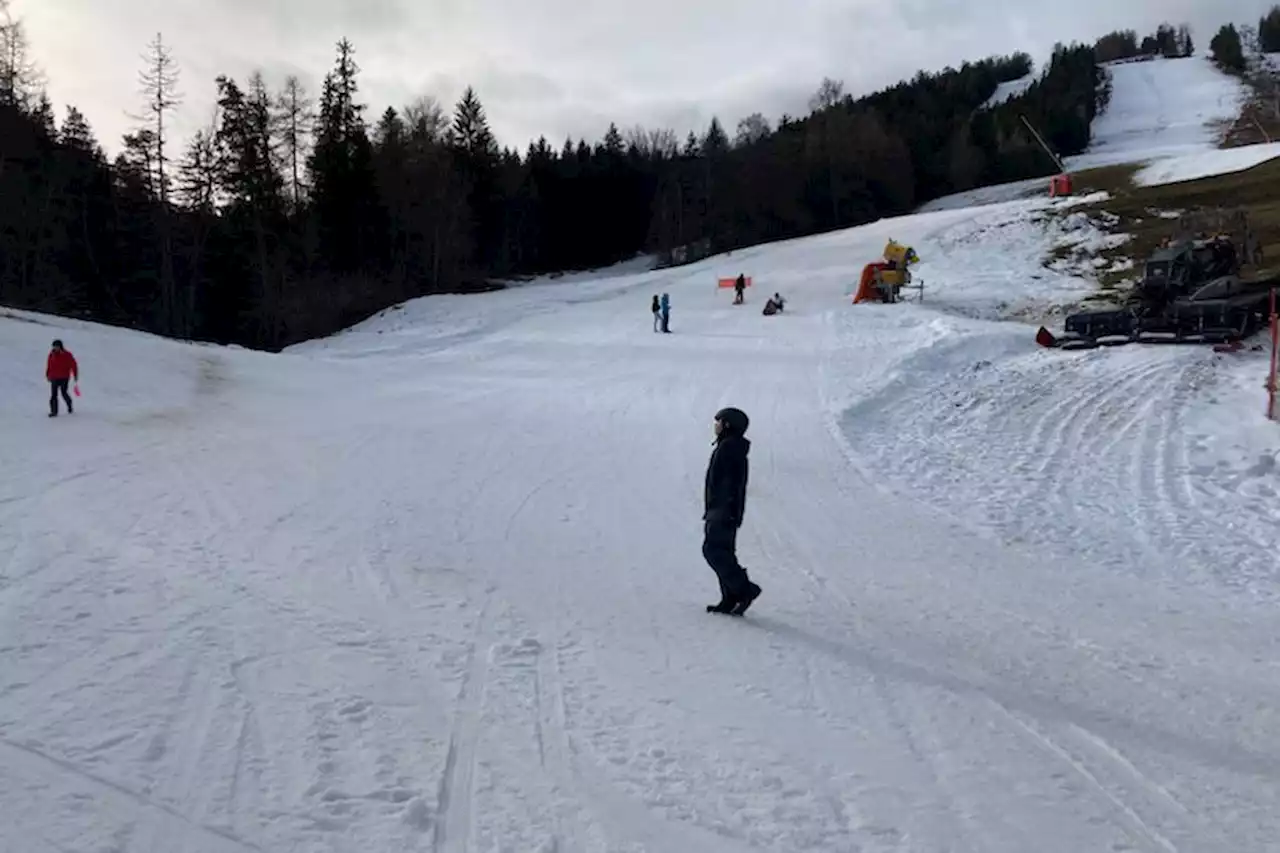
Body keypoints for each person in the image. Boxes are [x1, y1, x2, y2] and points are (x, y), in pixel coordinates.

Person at [702, 407, 762, 615]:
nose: (715, 425)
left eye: (719, 421)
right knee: (722, 552)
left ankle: (745, 590)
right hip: (722, 509)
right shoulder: (729, 446)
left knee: (714, 551)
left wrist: (722, 508)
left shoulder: (730, 448)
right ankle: (729, 598)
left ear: (728, 425)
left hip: (723, 510)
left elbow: (730, 483)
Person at [46, 339, 78, 417]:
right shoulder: (51, 355)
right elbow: (49, 365)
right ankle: (54, 411)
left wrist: (75, 375)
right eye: (54, 346)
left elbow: (73, 365)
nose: (55, 348)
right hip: (54, 377)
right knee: (54, 395)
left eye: (57, 346)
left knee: (64, 393)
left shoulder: (67, 355)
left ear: (61, 346)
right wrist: (48, 375)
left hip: (64, 377)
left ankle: (69, 405)